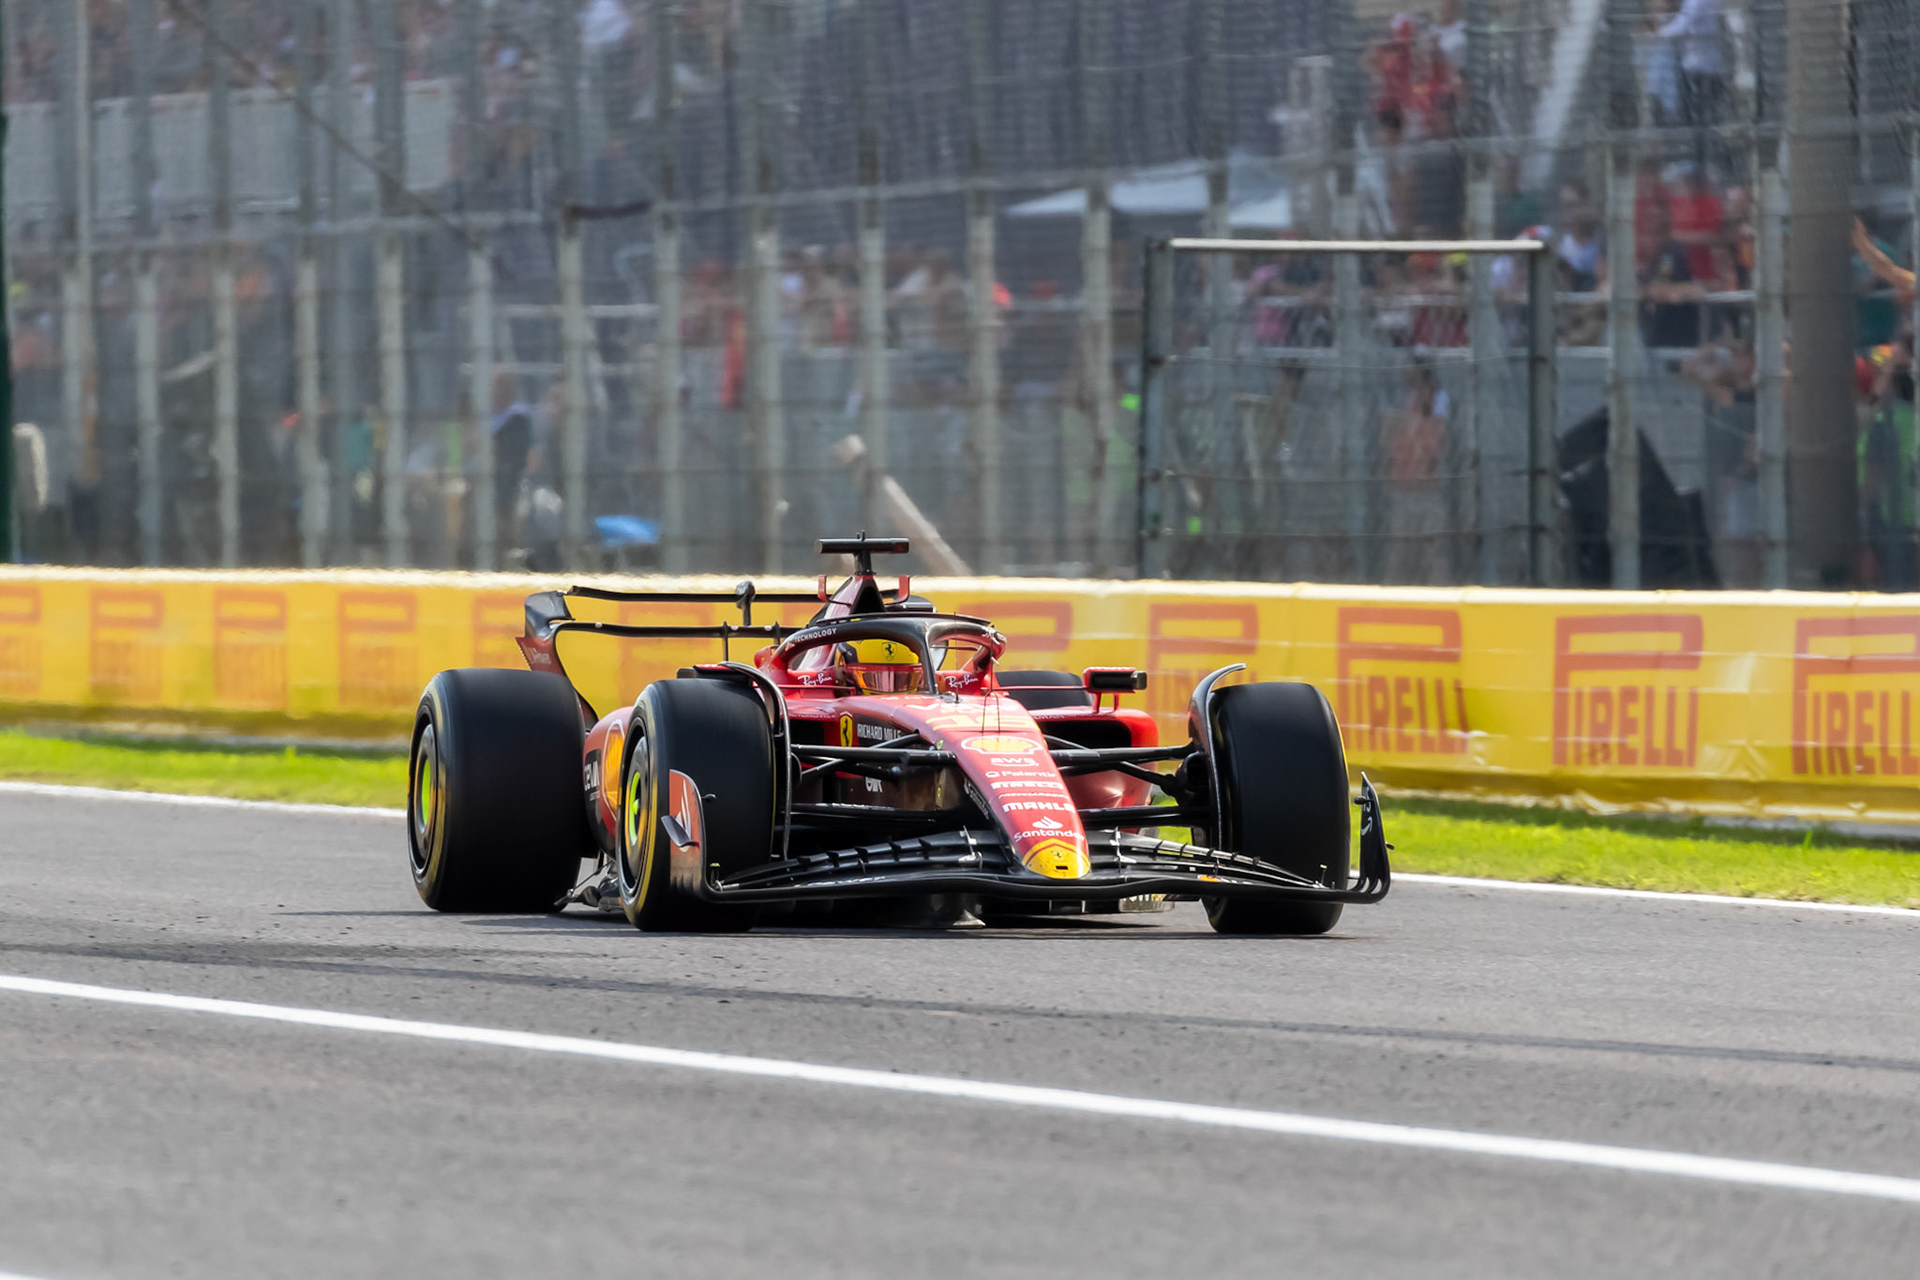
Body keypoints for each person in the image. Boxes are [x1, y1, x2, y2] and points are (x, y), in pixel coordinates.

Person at [1383, 361, 1451, 583]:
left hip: (1427, 490)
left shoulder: (1437, 400)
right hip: (1404, 488)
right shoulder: (1403, 402)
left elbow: (1436, 442)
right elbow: (1389, 440)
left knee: (1434, 550)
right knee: (1400, 550)